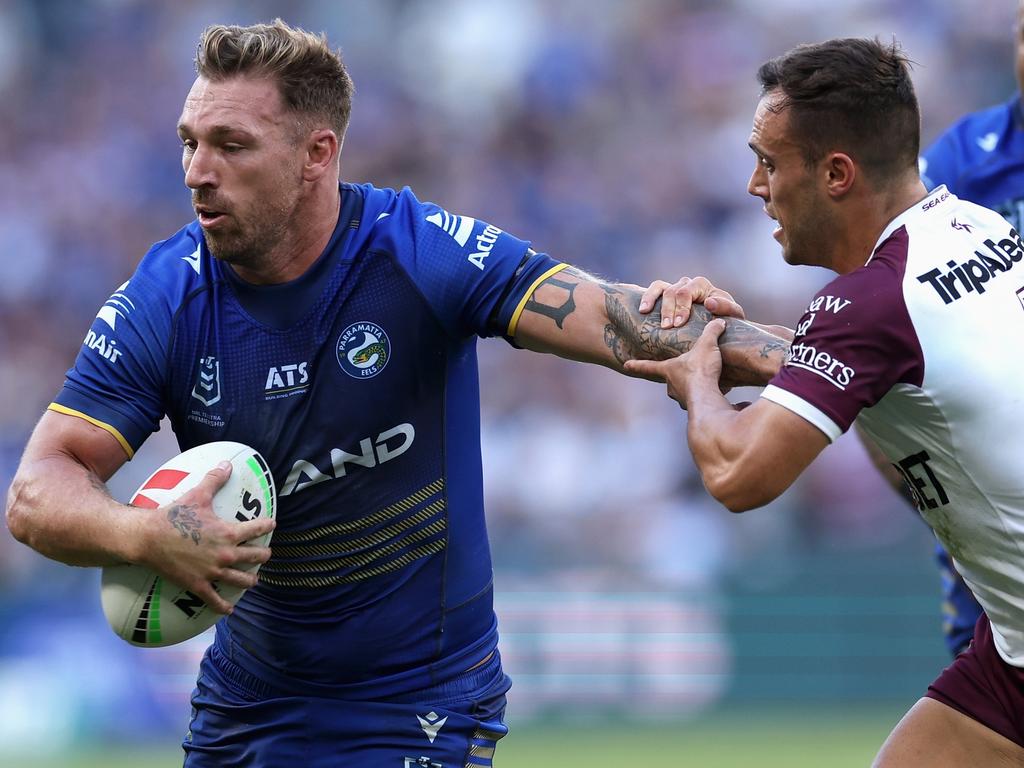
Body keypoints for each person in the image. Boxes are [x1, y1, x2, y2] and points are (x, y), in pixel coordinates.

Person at [3, 19, 788, 768]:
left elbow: (622, 321)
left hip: (420, 699)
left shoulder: (417, 253)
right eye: (190, 142)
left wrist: (842, 365)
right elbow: (35, 494)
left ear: (318, 153)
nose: (196, 171)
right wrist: (147, 538)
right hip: (249, 701)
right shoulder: (164, 298)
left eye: (230, 145)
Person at [628, 38, 1024, 766]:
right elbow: (882, 363)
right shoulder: (981, 228)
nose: (754, 185)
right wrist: (736, 336)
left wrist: (695, 377)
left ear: (836, 174)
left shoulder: (865, 306)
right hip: (1011, 653)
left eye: (770, 163)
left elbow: (739, 475)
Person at [878, 1, 1024, 658]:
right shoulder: (967, 158)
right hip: (986, 469)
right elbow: (877, 298)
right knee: (981, 678)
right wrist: (948, 505)